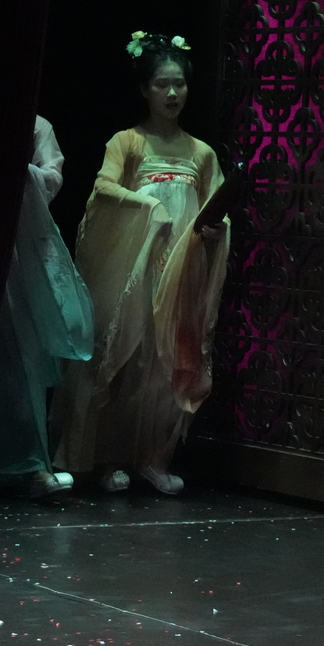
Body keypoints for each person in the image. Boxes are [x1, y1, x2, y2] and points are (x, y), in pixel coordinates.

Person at [57, 32, 230, 495]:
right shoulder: (128, 142)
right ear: (144, 89)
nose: (172, 93)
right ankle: (110, 457)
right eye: (162, 84)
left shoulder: (201, 153)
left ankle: (155, 457)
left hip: (181, 270)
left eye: (180, 84)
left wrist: (217, 229)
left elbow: (217, 206)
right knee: (128, 356)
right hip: (137, 268)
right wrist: (148, 203)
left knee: (169, 361)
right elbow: (104, 188)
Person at [0, 116, 93, 499]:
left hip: (14, 252)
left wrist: (18, 173)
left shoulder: (34, 123)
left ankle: (31, 465)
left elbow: (52, 175)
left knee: (21, 359)